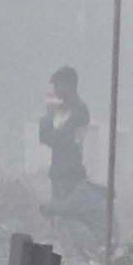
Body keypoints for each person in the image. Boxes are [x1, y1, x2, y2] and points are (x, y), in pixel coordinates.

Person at [39, 67, 95, 225]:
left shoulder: (79, 110)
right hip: (60, 172)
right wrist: (49, 118)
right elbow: (46, 136)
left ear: (69, 85)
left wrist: (49, 120)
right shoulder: (62, 110)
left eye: (58, 85)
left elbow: (59, 138)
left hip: (70, 173)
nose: (55, 90)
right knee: (59, 221)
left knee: (67, 219)